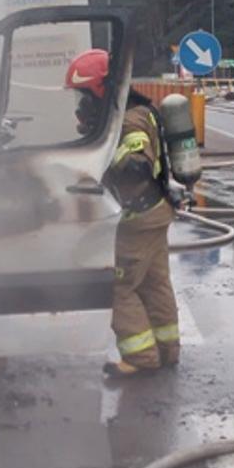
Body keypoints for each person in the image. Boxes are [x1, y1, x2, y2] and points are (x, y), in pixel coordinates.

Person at [66, 49, 179, 379]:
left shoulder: (128, 121)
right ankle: (167, 349)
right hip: (156, 213)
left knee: (118, 287)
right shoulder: (137, 110)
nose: (82, 102)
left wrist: (100, 157)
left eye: (85, 94)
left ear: (101, 88)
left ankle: (141, 358)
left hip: (138, 219)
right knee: (155, 284)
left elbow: (136, 167)